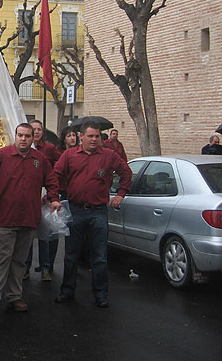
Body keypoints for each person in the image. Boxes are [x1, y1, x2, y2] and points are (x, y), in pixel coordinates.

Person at [0, 123, 60, 317]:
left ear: (33, 138)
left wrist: (54, 197)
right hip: (3, 219)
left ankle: (14, 295)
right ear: (15, 136)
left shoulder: (40, 159)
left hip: (28, 219)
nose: (23, 139)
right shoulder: (0, 156)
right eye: (20, 135)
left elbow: (52, 180)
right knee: (0, 260)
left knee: (19, 261)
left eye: (27, 136)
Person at [54, 121, 132, 308]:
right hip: (75, 211)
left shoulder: (109, 155)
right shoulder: (69, 155)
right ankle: (67, 291)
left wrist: (121, 194)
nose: (95, 139)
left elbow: (126, 173)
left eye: (97, 136)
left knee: (99, 256)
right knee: (71, 255)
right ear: (81, 137)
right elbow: (55, 174)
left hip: (98, 212)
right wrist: (53, 197)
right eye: (90, 136)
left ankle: (101, 294)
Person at [24, 120, 61, 281]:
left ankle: (46, 267)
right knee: (27, 237)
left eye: (39, 129)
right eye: (34, 129)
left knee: (44, 234)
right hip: (27, 197)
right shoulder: (23, 149)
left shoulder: (48, 150)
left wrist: (52, 193)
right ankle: (25, 268)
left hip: (43, 195)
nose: (36, 132)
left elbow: (60, 165)